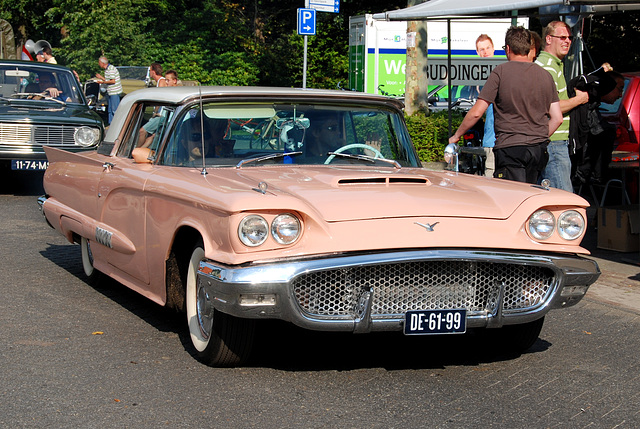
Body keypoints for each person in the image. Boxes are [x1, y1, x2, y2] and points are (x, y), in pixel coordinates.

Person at [449, 27, 563, 185]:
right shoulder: (545, 75)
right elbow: (557, 118)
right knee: (531, 195)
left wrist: (456, 135)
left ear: (508, 49)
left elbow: (477, 112)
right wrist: (538, 136)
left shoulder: (500, 72)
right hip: (538, 150)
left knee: (512, 198)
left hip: (511, 148)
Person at [535, 21, 589, 192]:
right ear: (549, 39)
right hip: (554, 143)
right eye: (562, 37)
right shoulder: (548, 67)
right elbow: (551, 108)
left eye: (570, 38)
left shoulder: (553, 64)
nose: (567, 41)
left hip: (553, 142)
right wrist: (580, 99)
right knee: (564, 200)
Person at [475, 34, 496, 177]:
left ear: (494, 48)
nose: (485, 52)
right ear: (477, 52)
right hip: (490, 138)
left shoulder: (500, 71)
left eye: (488, 47)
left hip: (496, 139)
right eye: (481, 49)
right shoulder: (476, 75)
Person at [95, 56, 123, 124]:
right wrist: (101, 78)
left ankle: (117, 124)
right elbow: (108, 80)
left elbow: (113, 81)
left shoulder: (111, 69)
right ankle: (110, 123)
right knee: (110, 110)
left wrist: (102, 82)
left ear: (102, 63)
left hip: (114, 92)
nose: (99, 64)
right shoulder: (107, 70)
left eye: (99, 63)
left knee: (114, 110)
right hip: (110, 92)